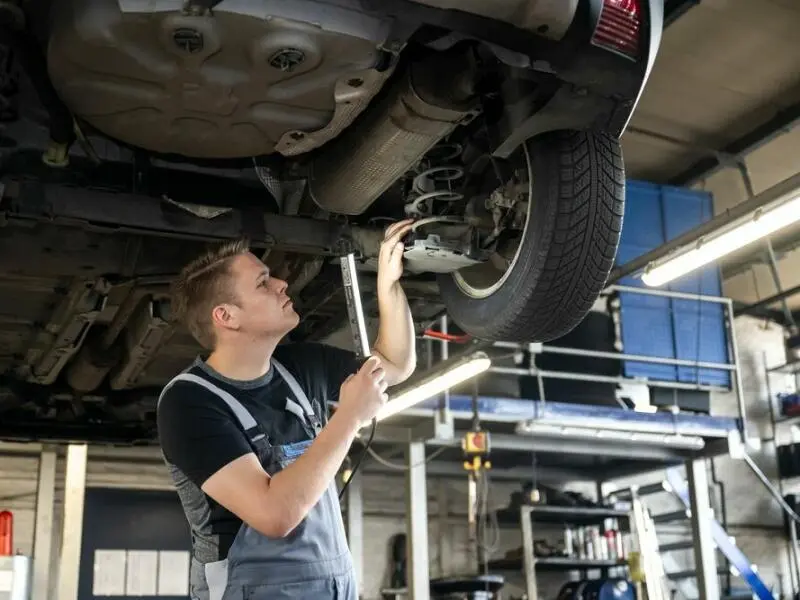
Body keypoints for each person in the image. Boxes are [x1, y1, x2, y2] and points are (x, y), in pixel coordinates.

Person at [156, 220, 417, 600]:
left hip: (332, 586)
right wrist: (349, 417)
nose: (281, 284)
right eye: (263, 282)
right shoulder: (189, 403)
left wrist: (388, 285)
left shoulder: (300, 367)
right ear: (226, 316)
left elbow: (393, 364)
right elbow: (274, 514)